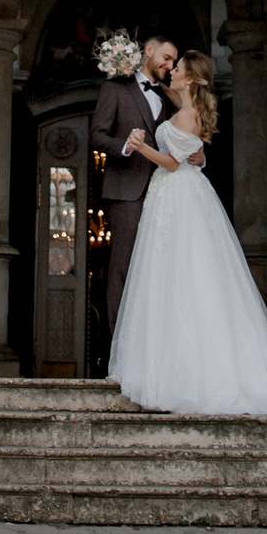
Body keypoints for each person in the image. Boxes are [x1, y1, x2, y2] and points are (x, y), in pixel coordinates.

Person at [107, 53, 267, 416]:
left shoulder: (186, 114)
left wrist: (141, 146)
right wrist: (140, 71)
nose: (172, 70)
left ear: (189, 80)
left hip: (177, 193)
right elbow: (170, 96)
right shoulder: (185, 104)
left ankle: (186, 375)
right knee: (176, 276)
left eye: (178, 68)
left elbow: (171, 162)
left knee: (182, 274)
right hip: (177, 194)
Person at [89, 34, 179, 331]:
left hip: (161, 191)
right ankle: (119, 345)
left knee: (155, 268)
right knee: (123, 268)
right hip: (126, 190)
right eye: (166, 58)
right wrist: (126, 147)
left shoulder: (168, 95)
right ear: (149, 50)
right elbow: (97, 136)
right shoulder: (114, 89)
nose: (170, 65)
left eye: (174, 62)